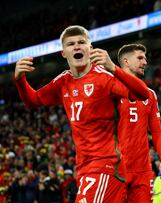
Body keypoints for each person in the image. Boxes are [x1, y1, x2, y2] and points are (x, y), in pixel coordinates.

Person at [14, 25, 149, 202]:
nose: (77, 46)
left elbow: (143, 93)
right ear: (64, 53)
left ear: (90, 49)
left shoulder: (104, 77)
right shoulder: (63, 81)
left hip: (105, 164)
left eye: (81, 42)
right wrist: (19, 79)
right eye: (71, 44)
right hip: (84, 166)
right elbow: (33, 101)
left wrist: (114, 68)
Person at [116, 43, 161, 203]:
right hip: (116, 166)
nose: (145, 62)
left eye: (145, 58)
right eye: (140, 58)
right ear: (125, 61)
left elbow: (157, 131)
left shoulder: (150, 95)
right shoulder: (110, 88)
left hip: (142, 169)